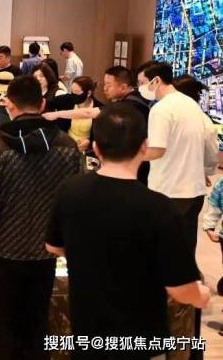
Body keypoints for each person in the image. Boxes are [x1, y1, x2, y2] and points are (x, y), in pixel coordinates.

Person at [46, 103, 211, 356]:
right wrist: (202, 295)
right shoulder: (160, 208)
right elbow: (180, 288)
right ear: (144, 147)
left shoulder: (69, 191)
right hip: (141, 341)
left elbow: (53, 246)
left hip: (88, 334)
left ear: (96, 148)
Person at [0, 75, 82, 360]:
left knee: (2, 320)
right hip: (46, 250)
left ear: (9, 104)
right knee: (37, 320)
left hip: (3, 249)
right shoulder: (67, 146)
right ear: (42, 104)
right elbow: (76, 202)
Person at [138, 61, 218, 256]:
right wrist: (205, 170)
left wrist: (127, 156)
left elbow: (157, 150)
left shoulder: (161, 109)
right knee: (185, 250)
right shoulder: (190, 104)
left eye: (142, 82)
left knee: (162, 251)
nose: (140, 88)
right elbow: (206, 145)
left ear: (156, 81)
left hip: (169, 190)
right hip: (194, 191)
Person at [43, 65, 151, 183]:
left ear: (123, 87)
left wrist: (56, 114)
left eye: (109, 85)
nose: (105, 88)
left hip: (138, 162)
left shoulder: (130, 103)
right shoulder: (133, 99)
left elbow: (88, 113)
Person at [66, 76, 103, 152]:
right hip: (67, 143)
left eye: (76, 92)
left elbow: (100, 134)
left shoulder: (98, 108)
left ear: (88, 93)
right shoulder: (69, 102)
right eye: (72, 91)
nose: (73, 95)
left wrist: (89, 141)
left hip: (85, 149)